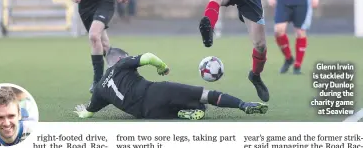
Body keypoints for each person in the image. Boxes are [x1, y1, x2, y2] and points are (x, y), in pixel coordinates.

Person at [74, 48, 268, 120]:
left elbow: (89, 112)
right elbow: (148, 56)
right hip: (153, 92)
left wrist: (83, 112)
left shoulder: (99, 88)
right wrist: (162, 67)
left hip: (145, 114)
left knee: (193, 108)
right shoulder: (122, 63)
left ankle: (181, 114)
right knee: (204, 96)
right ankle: (243, 105)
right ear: (120, 59)